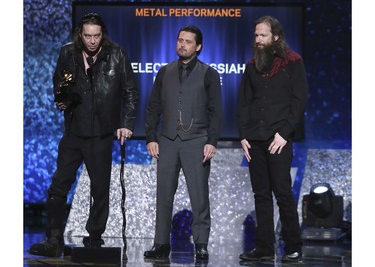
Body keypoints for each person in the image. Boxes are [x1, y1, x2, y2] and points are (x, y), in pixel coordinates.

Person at [29, 13, 139, 257]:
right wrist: (64, 97)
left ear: (103, 34)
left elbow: (130, 91)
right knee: (59, 186)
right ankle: (54, 239)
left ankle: (94, 239)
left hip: (101, 133)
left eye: (96, 36)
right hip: (74, 132)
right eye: (87, 36)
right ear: (80, 34)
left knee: (100, 190)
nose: (92, 41)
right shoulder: (67, 54)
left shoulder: (117, 54)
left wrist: (126, 123)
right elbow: (58, 87)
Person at [144, 25, 223, 260]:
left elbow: (216, 112)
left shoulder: (209, 74)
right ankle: (161, 243)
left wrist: (212, 141)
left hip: (196, 141)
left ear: (198, 47)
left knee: (199, 196)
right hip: (167, 140)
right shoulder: (164, 72)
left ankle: (200, 243)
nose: (182, 45)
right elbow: (153, 107)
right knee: (163, 195)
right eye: (180, 40)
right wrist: (151, 137)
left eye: (188, 41)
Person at [236, 15, 308, 263]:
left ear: (275, 37)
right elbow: (244, 102)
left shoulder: (293, 62)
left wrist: (284, 133)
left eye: (263, 35)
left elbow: (299, 100)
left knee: (282, 192)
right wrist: (243, 135)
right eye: (256, 35)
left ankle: (293, 246)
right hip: (254, 139)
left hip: (279, 137)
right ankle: (264, 247)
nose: (258, 39)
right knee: (261, 195)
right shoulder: (251, 64)